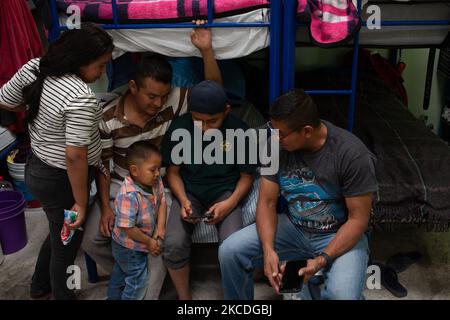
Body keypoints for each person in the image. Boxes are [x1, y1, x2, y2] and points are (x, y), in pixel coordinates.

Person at [81, 20, 222, 299]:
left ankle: (146, 287)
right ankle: (137, 272)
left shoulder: (172, 100)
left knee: (161, 243)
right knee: (90, 240)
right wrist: (106, 207)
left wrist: (206, 50)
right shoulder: (108, 120)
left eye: (162, 96)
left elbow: (213, 93)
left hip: (158, 186)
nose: (158, 104)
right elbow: (104, 165)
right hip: (121, 184)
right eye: (151, 96)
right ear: (132, 87)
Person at [219, 89, 378, 300]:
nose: (275, 137)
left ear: (307, 131)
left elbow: (358, 220)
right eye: (272, 129)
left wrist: (320, 261)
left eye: (281, 133)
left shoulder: (352, 154)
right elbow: (266, 203)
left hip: (339, 232)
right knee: (230, 251)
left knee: (342, 295)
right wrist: (268, 250)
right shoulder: (274, 146)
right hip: (295, 227)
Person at [0, 24, 114, 300]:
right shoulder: (79, 97)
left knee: (57, 231)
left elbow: (5, 99)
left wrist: (36, 110)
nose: (102, 73)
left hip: (38, 167)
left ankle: (40, 286)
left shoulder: (35, 67)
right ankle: (63, 295)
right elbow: (75, 157)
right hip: (62, 180)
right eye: (100, 66)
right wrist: (81, 203)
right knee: (67, 241)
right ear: (80, 61)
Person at [161, 80, 257, 300]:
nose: (204, 128)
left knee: (234, 246)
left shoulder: (239, 131)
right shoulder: (180, 128)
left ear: (226, 111)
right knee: (174, 243)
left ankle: (234, 301)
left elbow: (246, 176)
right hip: (190, 192)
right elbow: (173, 173)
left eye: (212, 121)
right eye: (198, 121)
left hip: (225, 192)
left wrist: (230, 203)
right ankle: (185, 300)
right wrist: (184, 201)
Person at [107, 141, 166, 300]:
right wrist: (149, 242)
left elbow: (162, 202)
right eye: (152, 169)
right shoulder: (129, 195)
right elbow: (128, 228)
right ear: (135, 170)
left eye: (158, 169)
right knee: (137, 280)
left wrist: (160, 228)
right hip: (128, 246)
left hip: (139, 240)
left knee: (120, 274)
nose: (157, 173)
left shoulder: (155, 181)